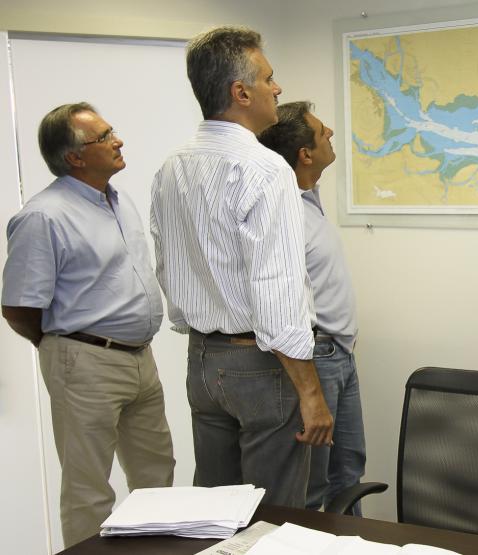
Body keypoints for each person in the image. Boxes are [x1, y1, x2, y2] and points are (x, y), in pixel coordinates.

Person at [151, 26, 332, 508]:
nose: (277, 88)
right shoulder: (266, 169)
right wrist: (311, 394)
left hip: (203, 361)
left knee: (213, 513)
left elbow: (167, 264)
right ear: (241, 93)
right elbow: (277, 291)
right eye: (269, 79)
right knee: (272, 516)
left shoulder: (172, 167)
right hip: (260, 364)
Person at [2, 102, 174, 547]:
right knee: (89, 490)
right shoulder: (43, 216)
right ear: (75, 157)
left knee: (157, 476)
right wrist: (69, 347)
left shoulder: (119, 201)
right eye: (105, 137)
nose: (118, 141)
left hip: (140, 360)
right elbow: (18, 306)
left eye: (112, 131)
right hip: (85, 362)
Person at [258, 101, 366, 513]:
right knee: (312, 482)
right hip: (316, 356)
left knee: (348, 473)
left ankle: (351, 541)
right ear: (305, 154)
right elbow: (280, 298)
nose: (331, 134)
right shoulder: (284, 212)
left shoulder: (309, 201)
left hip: (339, 353)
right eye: (323, 132)